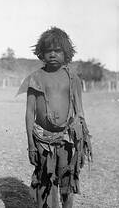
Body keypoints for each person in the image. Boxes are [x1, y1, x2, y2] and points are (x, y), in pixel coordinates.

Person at [17, 27, 92, 208]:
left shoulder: (72, 78)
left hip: (66, 140)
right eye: (48, 51)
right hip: (42, 140)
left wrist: (82, 143)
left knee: (67, 182)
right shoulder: (35, 78)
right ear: (41, 53)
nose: (52, 54)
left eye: (57, 50)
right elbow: (29, 113)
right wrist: (31, 145)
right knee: (46, 183)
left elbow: (79, 112)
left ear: (65, 52)